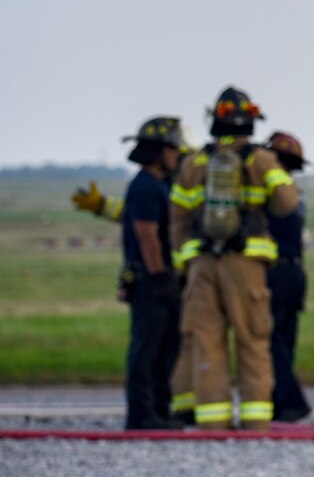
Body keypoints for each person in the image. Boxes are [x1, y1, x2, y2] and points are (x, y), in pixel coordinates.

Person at [167, 86, 299, 430]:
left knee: (206, 342)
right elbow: (288, 205)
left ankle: (213, 421)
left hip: (201, 266)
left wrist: (186, 259)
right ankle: (255, 420)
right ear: (251, 122)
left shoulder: (193, 163)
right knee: (253, 339)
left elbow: (177, 218)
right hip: (246, 264)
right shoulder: (261, 160)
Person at [116, 116, 188, 429]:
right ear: (158, 151)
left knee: (165, 347)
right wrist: (160, 277)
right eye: (173, 150)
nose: (176, 155)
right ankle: (142, 414)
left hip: (159, 278)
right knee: (146, 349)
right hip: (150, 280)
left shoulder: (159, 185)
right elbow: (147, 235)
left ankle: (159, 410)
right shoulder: (145, 187)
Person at [263, 131, 312, 423]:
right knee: (285, 338)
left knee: (271, 339)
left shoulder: (274, 193)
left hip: (277, 273)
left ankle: (292, 401)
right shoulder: (295, 193)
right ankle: (280, 402)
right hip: (294, 273)